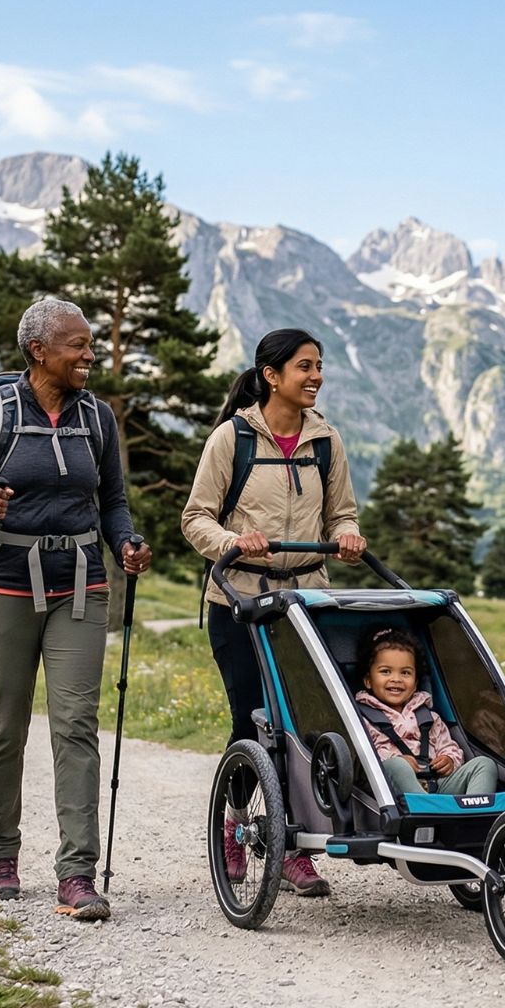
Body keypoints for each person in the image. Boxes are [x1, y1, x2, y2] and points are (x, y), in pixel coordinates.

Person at [0, 297, 151, 922]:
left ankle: (77, 873)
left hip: (83, 583)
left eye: (90, 344)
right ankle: (0, 854)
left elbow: (113, 502)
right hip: (6, 583)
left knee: (75, 725)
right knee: (5, 724)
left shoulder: (98, 418)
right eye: (77, 345)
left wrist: (127, 542)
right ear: (38, 350)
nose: (90, 354)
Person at [182, 327, 364, 897]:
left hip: (304, 604)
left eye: (319, 367)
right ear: (271, 376)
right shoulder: (230, 440)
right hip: (239, 603)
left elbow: (343, 514)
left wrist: (349, 535)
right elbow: (195, 519)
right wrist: (233, 543)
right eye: (305, 367)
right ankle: (237, 828)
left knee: (306, 725)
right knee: (253, 721)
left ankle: (294, 846)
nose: (316, 377)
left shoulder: (326, 442)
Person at [352, 628, 498, 796]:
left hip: (437, 785)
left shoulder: (429, 717)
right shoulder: (362, 720)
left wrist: (449, 759)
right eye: (386, 671)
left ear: (415, 683)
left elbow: (448, 746)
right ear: (368, 681)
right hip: (391, 791)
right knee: (398, 767)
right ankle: (426, 815)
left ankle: (474, 816)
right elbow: (362, 760)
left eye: (405, 673)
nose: (396, 679)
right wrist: (396, 760)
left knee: (484, 764)